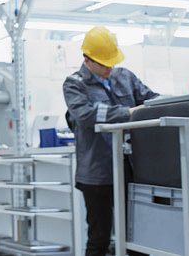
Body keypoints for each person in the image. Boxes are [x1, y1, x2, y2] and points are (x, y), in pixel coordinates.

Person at [62, 26, 158, 256]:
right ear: (87, 60)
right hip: (97, 173)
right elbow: (86, 115)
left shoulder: (126, 77)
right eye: (104, 64)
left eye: (111, 62)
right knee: (99, 238)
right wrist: (129, 112)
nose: (109, 68)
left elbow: (152, 100)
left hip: (131, 169)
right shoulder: (74, 84)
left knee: (137, 235)